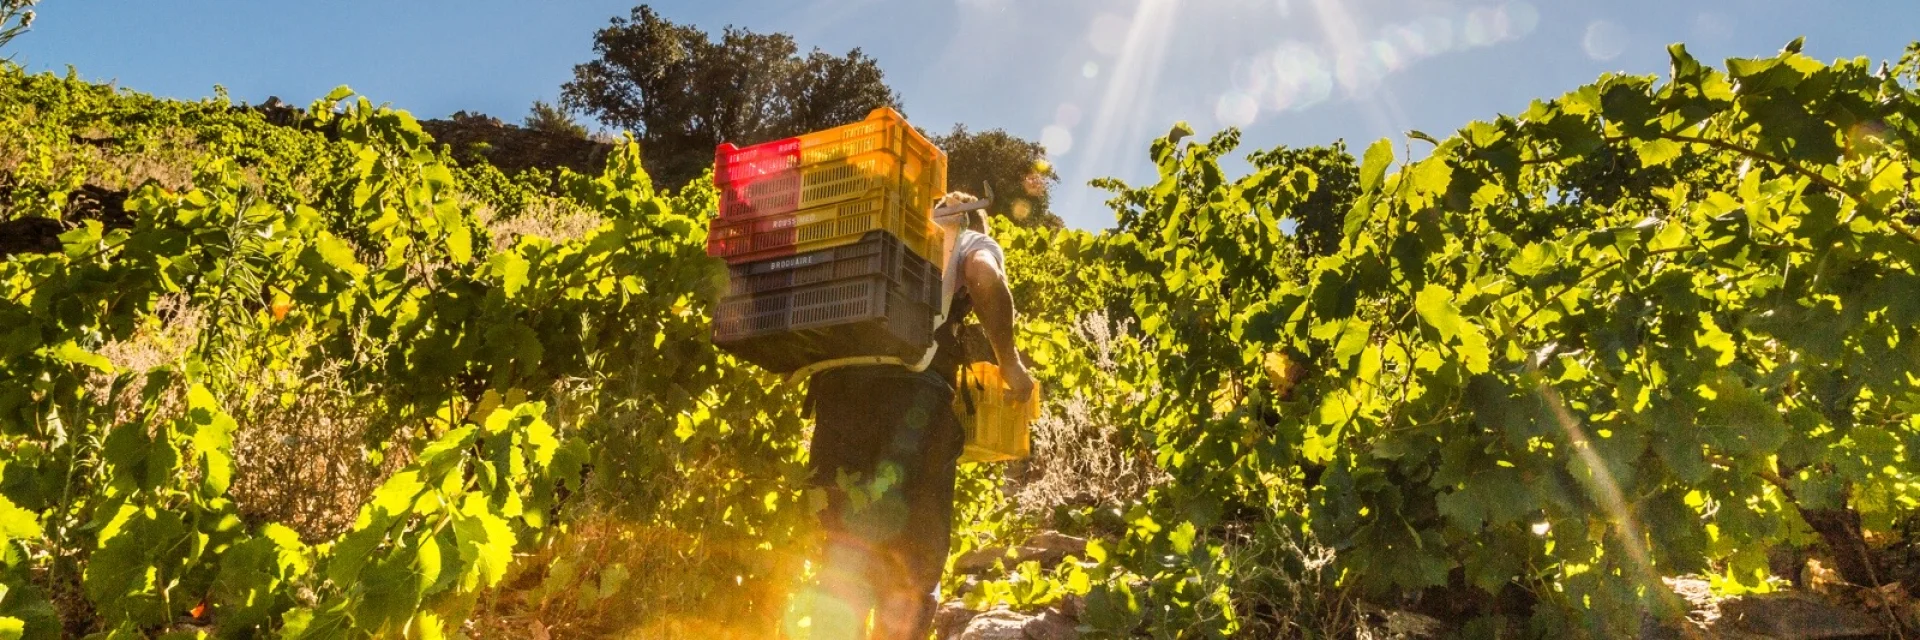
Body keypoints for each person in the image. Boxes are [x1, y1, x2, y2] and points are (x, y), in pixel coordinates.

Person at [801, 192, 1036, 639]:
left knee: (842, 557)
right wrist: (1010, 362)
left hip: (837, 393)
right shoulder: (968, 237)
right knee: (911, 564)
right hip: (910, 401)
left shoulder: (866, 227)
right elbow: (984, 278)